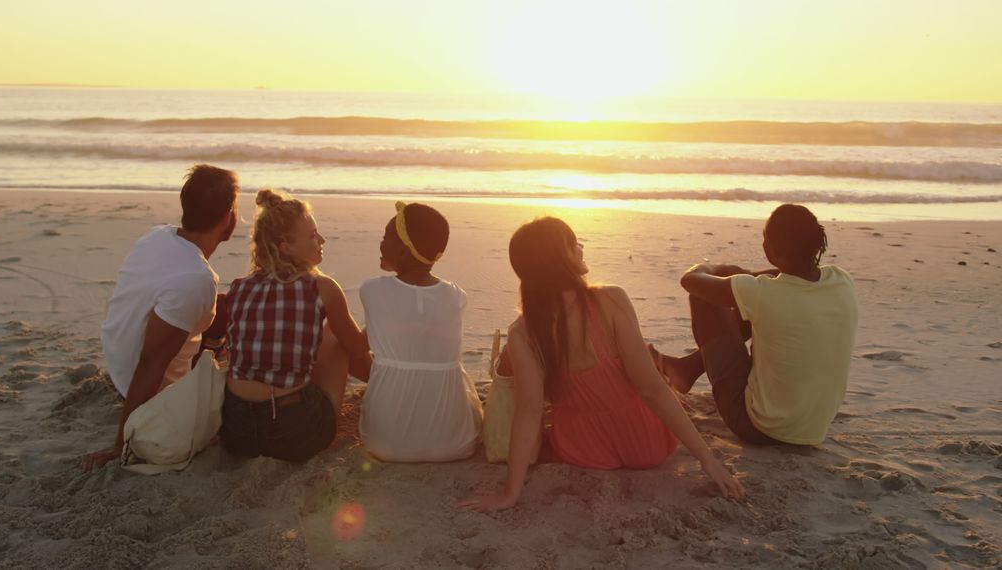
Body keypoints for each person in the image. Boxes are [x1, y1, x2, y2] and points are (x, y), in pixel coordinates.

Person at [461, 217, 744, 511]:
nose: (581, 249)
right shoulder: (611, 300)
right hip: (647, 445)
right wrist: (707, 459)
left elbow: (528, 411)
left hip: (584, 450)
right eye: (574, 244)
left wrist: (510, 493)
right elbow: (652, 389)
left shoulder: (522, 333)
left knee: (544, 416)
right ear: (562, 259)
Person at [652, 204, 857, 446]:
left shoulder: (764, 293)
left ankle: (684, 372)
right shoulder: (841, 280)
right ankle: (686, 369)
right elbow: (776, 281)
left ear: (771, 249)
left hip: (758, 427)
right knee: (757, 308)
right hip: (813, 429)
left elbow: (691, 280)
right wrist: (747, 276)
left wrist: (714, 268)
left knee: (704, 298)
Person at [82, 164, 238, 471]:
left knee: (237, 305)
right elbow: (151, 362)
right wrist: (122, 444)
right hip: (146, 390)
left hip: (119, 359)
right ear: (227, 218)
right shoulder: (196, 279)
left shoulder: (158, 236)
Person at [220, 189, 368, 462]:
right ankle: (385, 385)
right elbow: (358, 349)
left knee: (297, 342)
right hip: (294, 432)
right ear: (285, 246)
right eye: (312, 235)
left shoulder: (240, 287)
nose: (321, 240)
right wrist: (379, 316)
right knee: (335, 334)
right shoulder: (321, 287)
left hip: (237, 431)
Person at [358, 202, 482, 462]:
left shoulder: (371, 290)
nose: (380, 244)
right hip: (455, 444)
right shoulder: (457, 296)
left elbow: (360, 345)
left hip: (385, 444)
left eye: (385, 238)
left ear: (403, 251)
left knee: (346, 339)